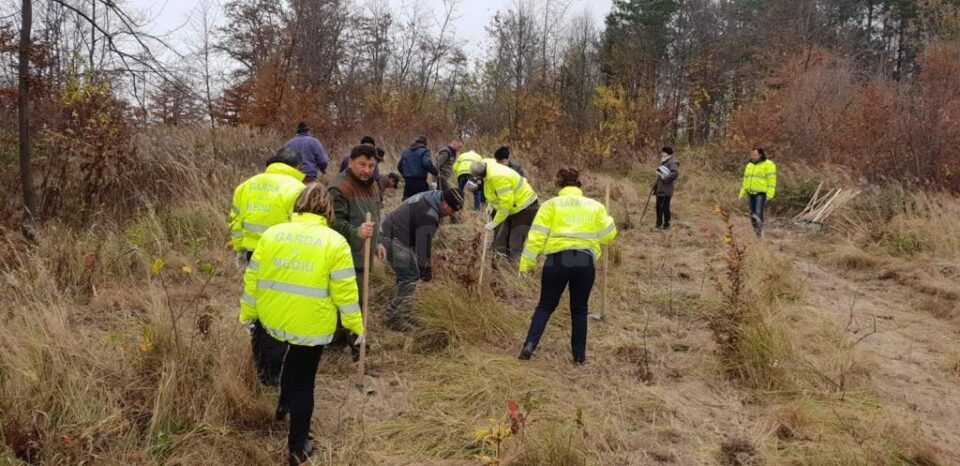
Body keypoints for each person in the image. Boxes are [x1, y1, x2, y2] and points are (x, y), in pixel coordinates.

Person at [238, 184, 364, 466]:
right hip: (312, 325)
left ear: (297, 205)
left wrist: (247, 313)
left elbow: (252, 279)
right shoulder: (334, 243)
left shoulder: (271, 235)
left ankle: (283, 405)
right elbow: (346, 293)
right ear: (328, 209)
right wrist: (356, 327)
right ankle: (297, 448)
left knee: (289, 364)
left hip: (274, 319)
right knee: (304, 383)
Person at [517, 168, 617, 365]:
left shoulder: (550, 205)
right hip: (583, 261)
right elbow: (608, 235)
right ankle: (579, 357)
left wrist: (526, 265)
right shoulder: (594, 206)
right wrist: (609, 219)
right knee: (579, 309)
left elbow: (536, 237)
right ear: (579, 185)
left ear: (559, 185)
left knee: (545, 305)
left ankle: (529, 345)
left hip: (557, 260)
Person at [228, 147, 306, 386]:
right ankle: (273, 372)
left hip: (254, 255)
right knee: (280, 310)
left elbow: (236, 221)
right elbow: (303, 229)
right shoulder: (298, 189)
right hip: (284, 258)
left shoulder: (246, 185)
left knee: (258, 307)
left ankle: (259, 363)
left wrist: (241, 249)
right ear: (297, 167)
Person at [327, 144, 385, 357]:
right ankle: (357, 347)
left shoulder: (373, 185)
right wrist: (357, 232)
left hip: (366, 252)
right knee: (354, 301)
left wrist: (377, 241)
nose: (367, 170)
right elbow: (333, 224)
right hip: (346, 256)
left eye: (371, 165)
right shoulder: (338, 188)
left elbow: (375, 215)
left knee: (352, 301)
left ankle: (336, 343)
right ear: (351, 162)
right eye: (362, 165)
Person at [379, 188, 464, 330]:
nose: (451, 213)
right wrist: (426, 268)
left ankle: (404, 313)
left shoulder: (431, 196)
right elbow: (423, 246)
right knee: (410, 275)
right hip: (391, 238)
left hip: (393, 233)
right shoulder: (429, 215)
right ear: (444, 202)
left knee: (408, 273)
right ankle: (395, 318)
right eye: (451, 209)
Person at [470, 158, 538, 262]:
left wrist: (495, 222)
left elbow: (506, 205)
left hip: (525, 206)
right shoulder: (486, 165)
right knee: (501, 239)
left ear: (481, 175)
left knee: (515, 242)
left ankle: (515, 271)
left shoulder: (497, 177)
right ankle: (500, 266)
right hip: (514, 207)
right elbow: (493, 192)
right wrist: (491, 205)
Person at [738, 147, 777, 237]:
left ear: (760, 154)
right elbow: (745, 180)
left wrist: (770, 195)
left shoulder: (768, 165)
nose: (753, 156)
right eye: (752, 154)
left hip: (761, 193)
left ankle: (758, 233)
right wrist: (742, 193)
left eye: (755, 154)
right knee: (752, 214)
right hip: (751, 193)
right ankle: (755, 230)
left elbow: (772, 181)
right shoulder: (749, 165)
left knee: (758, 212)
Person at [397, 135, 438, 200]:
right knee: (423, 202)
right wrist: (435, 173)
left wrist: (405, 174)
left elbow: (399, 166)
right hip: (420, 182)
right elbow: (427, 163)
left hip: (408, 182)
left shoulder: (406, 152)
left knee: (406, 203)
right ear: (425, 144)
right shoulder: (424, 151)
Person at [653, 146, 679, 230]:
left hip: (666, 189)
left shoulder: (672, 163)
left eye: (663, 152)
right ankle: (658, 224)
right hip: (660, 189)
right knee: (658, 207)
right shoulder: (663, 161)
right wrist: (655, 186)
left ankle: (666, 225)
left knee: (665, 208)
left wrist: (665, 178)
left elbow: (674, 174)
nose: (661, 153)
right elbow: (660, 175)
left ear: (667, 153)